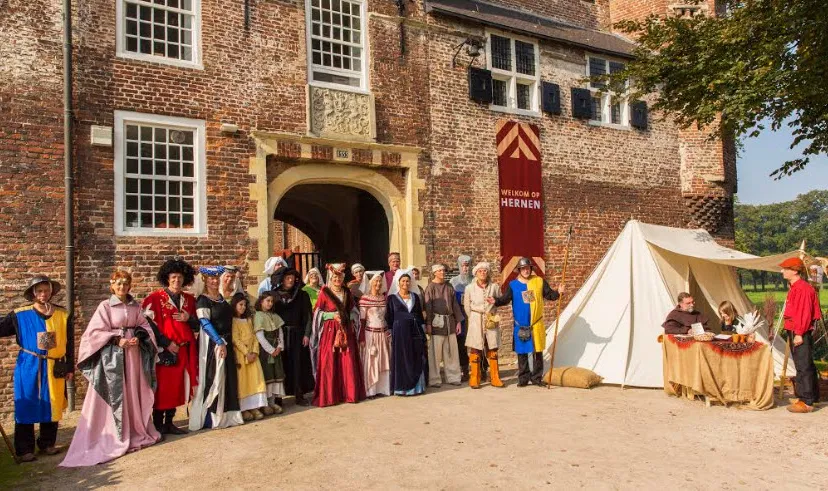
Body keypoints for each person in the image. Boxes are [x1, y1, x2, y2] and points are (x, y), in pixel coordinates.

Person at [61, 271, 160, 467]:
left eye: (125, 283)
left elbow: (145, 326)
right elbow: (94, 332)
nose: (122, 287)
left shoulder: (135, 306)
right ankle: (112, 432)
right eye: (118, 284)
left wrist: (138, 336)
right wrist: (116, 339)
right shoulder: (105, 306)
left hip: (133, 356)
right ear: (112, 286)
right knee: (116, 392)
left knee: (132, 390)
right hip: (113, 358)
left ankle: (135, 429)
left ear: (130, 286)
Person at [0, 275, 74, 462]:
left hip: (54, 364)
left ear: (51, 291)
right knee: (27, 404)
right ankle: (25, 449)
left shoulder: (63, 314)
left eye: (46, 290)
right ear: (33, 293)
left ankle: (47, 443)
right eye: (39, 291)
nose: (43, 294)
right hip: (29, 364)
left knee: (52, 402)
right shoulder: (19, 314)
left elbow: (70, 343)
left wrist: (69, 367)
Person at [141, 258, 199, 435]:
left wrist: (189, 318)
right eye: (173, 277)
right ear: (167, 278)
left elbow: (198, 325)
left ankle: (170, 423)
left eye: (180, 277)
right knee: (164, 388)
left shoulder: (189, 300)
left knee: (177, 387)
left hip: (184, 349)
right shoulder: (155, 298)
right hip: (165, 351)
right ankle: (158, 424)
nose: (177, 280)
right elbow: (146, 324)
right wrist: (166, 343)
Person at [490, 257, 562, 387]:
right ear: (519, 270)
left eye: (528, 268)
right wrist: (496, 300)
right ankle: (523, 378)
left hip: (536, 324)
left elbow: (550, 295)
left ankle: (536, 378)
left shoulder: (539, 281)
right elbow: (505, 299)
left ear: (531, 269)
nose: (526, 270)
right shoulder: (513, 285)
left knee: (537, 352)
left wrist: (558, 292)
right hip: (521, 325)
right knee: (522, 352)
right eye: (523, 268)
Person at [190, 266, 244, 430]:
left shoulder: (220, 297)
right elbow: (205, 323)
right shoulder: (202, 300)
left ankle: (228, 416)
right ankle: (211, 418)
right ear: (205, 281)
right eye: (211, 279)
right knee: (215, 377)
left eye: (216, 278)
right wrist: (219, 342)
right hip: (212, 344)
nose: (214, 281)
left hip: (226, 341)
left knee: (228, 378)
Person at [310, 263, 366, 407]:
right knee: (329, 361)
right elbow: (317, 313)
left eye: (340, 277)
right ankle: (330, 396)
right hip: (330, 331)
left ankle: (349, 393)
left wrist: (347, 317)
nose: (337, 279)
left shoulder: (347, 292)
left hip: (346, 330)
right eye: (335, 277)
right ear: (330, 277)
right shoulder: (324, 292)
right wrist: (331, 315)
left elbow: (354, 311)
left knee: (347, 360)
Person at [780, 257, 822, 413]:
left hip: (800, 331)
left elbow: (803, 314)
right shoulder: (795, 287)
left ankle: (806, 401)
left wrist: (799, 333)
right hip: (796, 330)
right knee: (805, 364)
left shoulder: (802, 289)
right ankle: (811, 397)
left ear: (794, 271)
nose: (782, 271)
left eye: (785, 268)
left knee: (803, 366)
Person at [272, 268, 314, 406]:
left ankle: (299, 393)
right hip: (280, 334)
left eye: (292, 278)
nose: (290, 280)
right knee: (281, 365)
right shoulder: (274, 295)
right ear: (282, 279)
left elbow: (308, 316)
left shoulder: (302, 295)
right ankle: (278, 397)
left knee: (298, 364)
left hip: (297, 334)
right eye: (287, 278)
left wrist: (307, 334)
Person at [386, 269, 428, 396]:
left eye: (408, 281)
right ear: (398, 283)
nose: (405, 283)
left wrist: (423, 330)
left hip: (415, 332)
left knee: (415, 356)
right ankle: (402, 388)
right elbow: (389, 317)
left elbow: (419, 314)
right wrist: (390, 332)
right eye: (403, 281)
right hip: (399, 333)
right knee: (402, 359)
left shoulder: (415, 297)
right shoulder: (391, 298)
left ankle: (416, 388)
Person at [464, 262, 504, 389]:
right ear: (476, 273)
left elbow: (499, 301)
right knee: (475, 348)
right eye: (480, 271)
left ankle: (495, 377)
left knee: (492, 348)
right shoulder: (469, 288)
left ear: (488, 273)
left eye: (485, 271)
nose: (482, 273)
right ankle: (474, 377)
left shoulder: (494, 287)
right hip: (476, 318)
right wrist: (473, 318)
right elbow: (467, 306)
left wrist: (493, 314)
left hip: (490, 318)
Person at [230, 293, 269, 421]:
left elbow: (254, 336)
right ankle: (244, 409)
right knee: (244, 382)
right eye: (240, 304)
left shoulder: (248, 320)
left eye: (245, 305)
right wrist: (247, 352)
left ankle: (255, 406)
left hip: (253, 355)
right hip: (242, 356)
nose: (243, 307)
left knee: (256, 380)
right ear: (234, 305)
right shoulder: (233, 321)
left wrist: (255, 352)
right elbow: (236, 339)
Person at [424, 263, 464, 387]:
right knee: (435, 354)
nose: (443, 272)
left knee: (451, 352)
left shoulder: (449, 286)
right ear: (434, 273)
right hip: (436, 322)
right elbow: (428, 307)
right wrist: (429, 324)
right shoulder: (430, 287)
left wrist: (458, 321)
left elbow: (455, 305)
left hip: (450, 322)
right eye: (440, 271)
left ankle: (453, 377)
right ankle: (435, 379)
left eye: (443, 270)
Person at [358, 271, 392, 397]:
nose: (378, 284)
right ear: (371, 283)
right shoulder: (365, 299)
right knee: (371, 361)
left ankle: (382, 389)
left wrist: (388, 331)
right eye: (376, 281)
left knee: (383, 360)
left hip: (382, 334)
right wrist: (361, 337)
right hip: (370, 334)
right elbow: (362, 320)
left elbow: (385, 317)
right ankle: (371, 390)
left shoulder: (383, 298)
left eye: (380, 281)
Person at [254, 291, 286, 414]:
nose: (270, 303)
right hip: (265, 352)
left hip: (276, 350)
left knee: (275, 375)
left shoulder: (275, 315)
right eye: (268, 301)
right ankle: (265, 404)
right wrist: (271, 350)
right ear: (261, 301)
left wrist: (279, 346)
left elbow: (280, 332)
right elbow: (260, 337)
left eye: (272, 301)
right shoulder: (258, 316)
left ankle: (272, 402)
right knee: (267, 375)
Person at [450, 254, 473, 381]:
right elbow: (452, 302)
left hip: (474, 315)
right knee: (461, 343)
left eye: (467, 265)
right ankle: (464, 369)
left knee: (477, 342)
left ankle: (480, 368)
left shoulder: (475, 280)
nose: (465, 268)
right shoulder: (454, 282)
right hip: (460, 315)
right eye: (463, 265)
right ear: (459, 266)